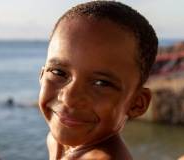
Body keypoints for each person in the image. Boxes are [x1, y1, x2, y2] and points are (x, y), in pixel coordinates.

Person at [39, 1, 158, 159]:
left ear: (137, 103)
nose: (69, 99)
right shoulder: (55, 142)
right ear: (42, 76)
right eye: (58, 72)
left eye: (102, 83)